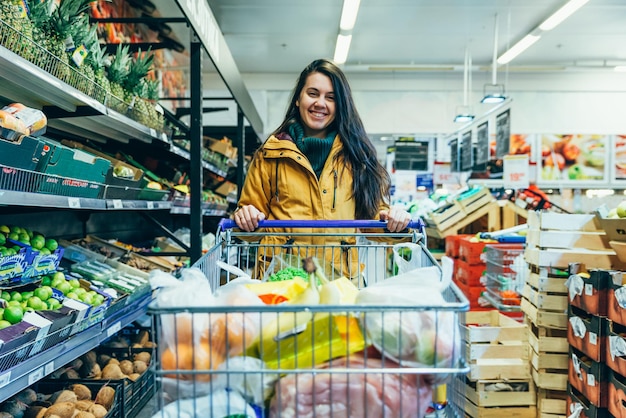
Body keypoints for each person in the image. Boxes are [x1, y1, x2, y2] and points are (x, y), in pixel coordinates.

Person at [232, 58, 411, 281]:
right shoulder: (269, 155)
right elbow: (247, 225)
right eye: (313, 93)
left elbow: (374, 219)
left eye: (331, 97)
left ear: (340, 105)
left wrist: (395, 221)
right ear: (298, 99)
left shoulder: (356, 156)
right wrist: (247, 217)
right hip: (282, 278)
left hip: (338, 281)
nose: (320, 103)